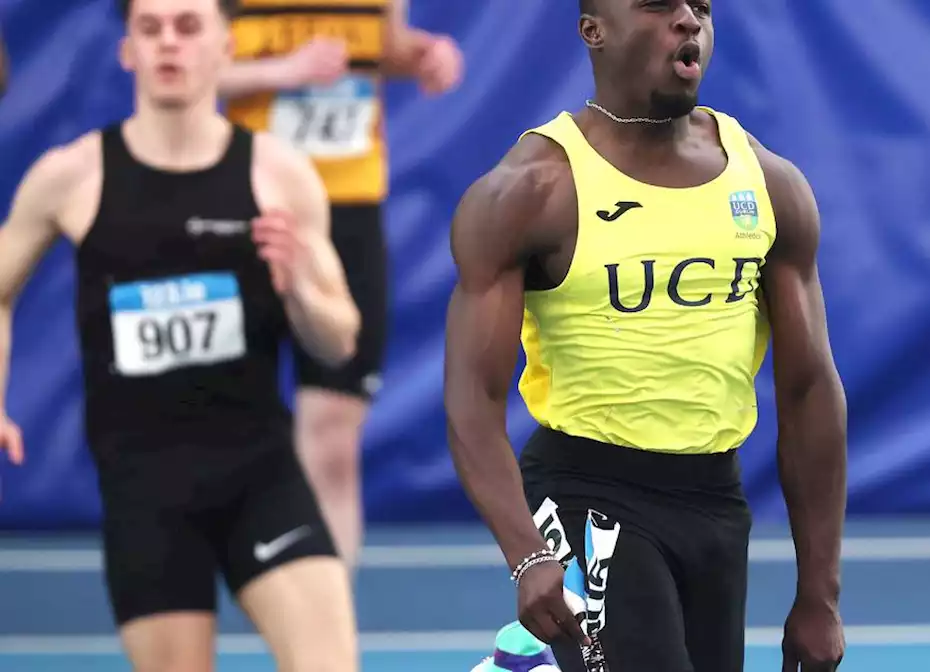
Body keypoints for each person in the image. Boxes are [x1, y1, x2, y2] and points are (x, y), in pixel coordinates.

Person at [444, 1, 848, 670]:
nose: (688, 21)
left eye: (703, 7)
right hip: (586, 494)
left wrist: (820, 594)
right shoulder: (532, 190)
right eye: (660, 5)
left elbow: (809, 390)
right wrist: (528, 554)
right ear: (593, 30)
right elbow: (472, 398)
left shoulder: (770, 186)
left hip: (716, 502)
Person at [0, 0, 361, 669]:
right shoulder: (71, 176)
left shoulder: (279, 174)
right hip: (145, 492)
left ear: (227, 48)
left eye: (189, 26)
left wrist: (299, 289)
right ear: (127, 50)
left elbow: (339, 341)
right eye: (151, 28)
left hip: (260, 475)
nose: (169, 42)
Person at [217, 0, 463, 570]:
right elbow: (183, 69)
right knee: (219, 427)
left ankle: (325, 622)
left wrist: (426, 57)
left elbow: (380, 50)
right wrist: (283, 71)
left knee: (333, 436)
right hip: (248, 206)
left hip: (348, 215)